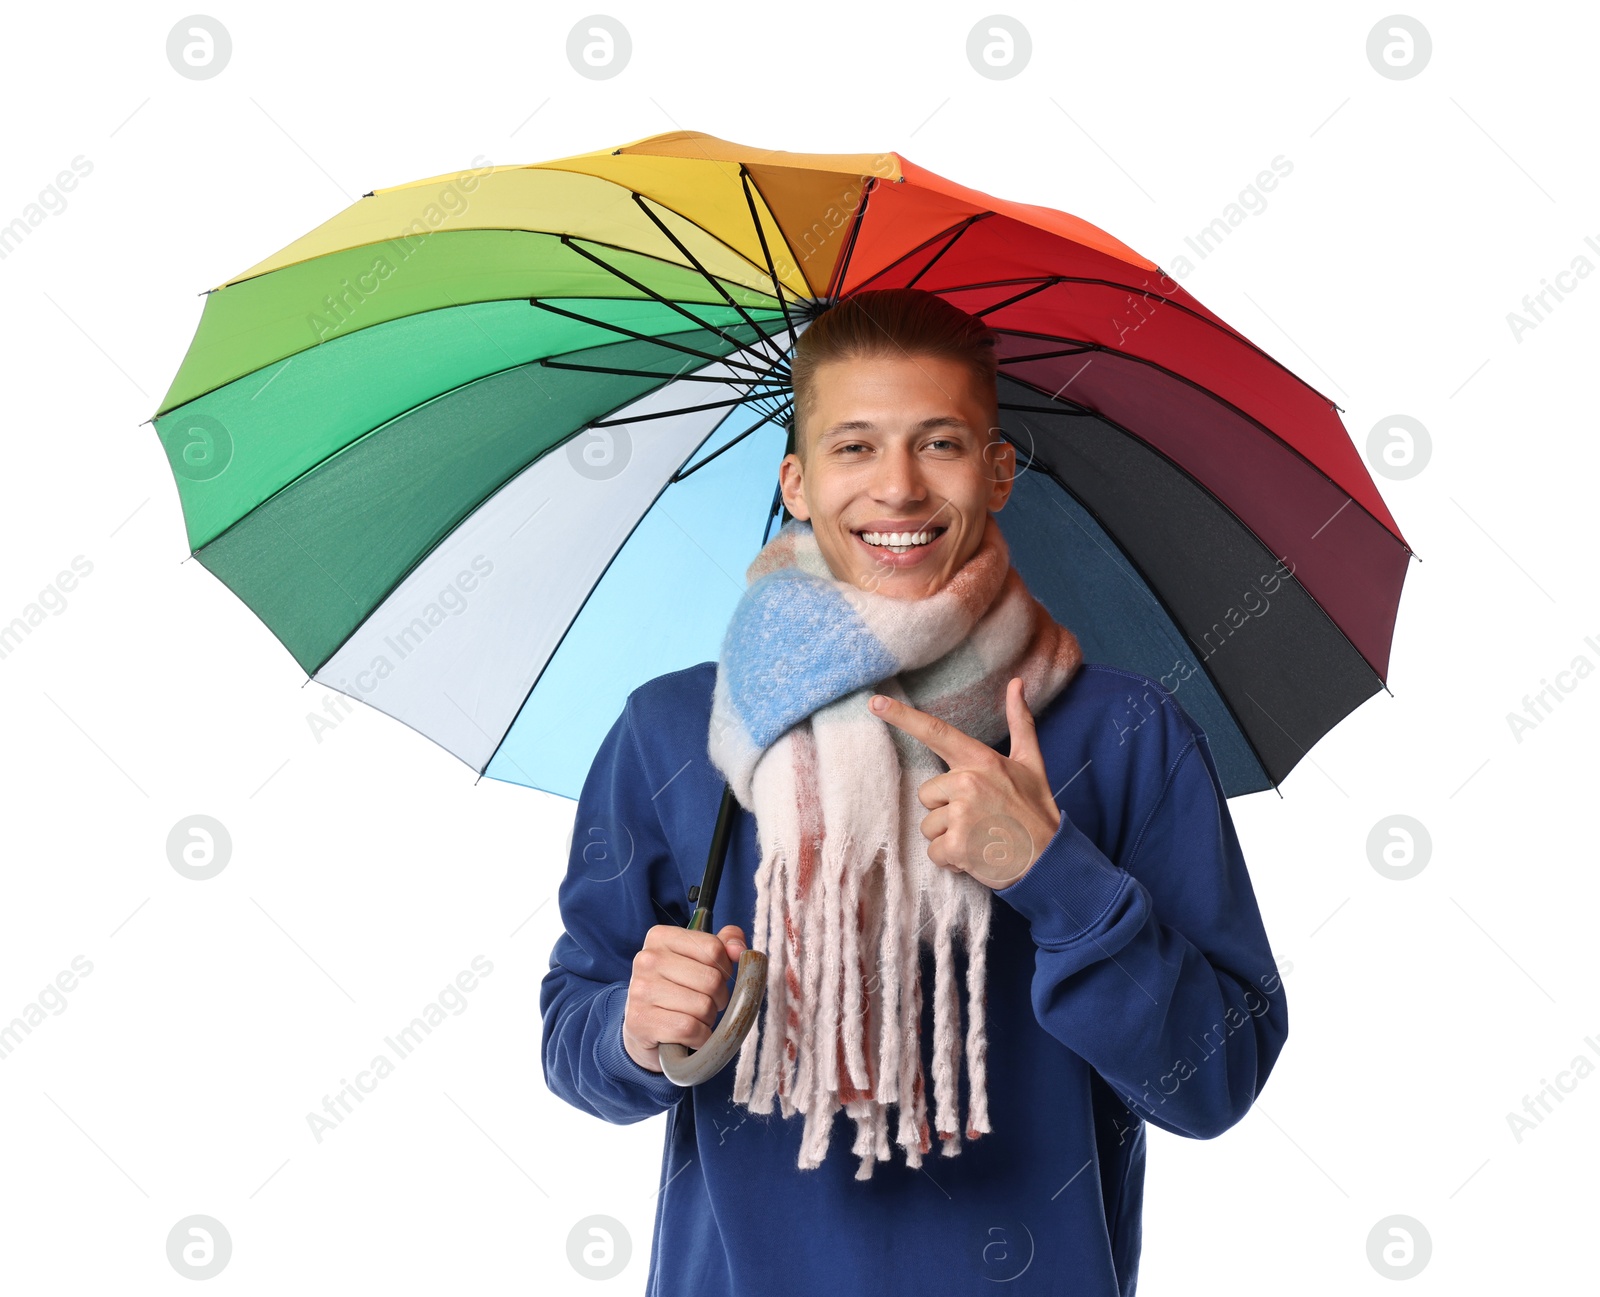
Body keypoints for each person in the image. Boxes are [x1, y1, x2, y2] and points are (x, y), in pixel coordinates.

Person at [541, 289, 1289, 1296]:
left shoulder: (1122, 733)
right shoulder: (673, 731)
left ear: (996, 471)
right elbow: (574, 1031)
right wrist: (633, 1031)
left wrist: (1055, 879)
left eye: (937, 444)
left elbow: (1212, 1081)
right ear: (796, 482)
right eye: (854, 447)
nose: (896, 488)